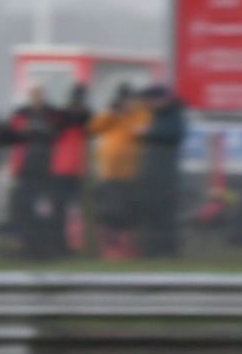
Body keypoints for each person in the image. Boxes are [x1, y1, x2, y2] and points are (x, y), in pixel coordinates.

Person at [88, 84, 149, 257]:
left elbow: (141, 132)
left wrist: (129, 116)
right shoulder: (110, 114)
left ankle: (125, 248)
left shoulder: (140, 114)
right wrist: (112, 112)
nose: (128, 103)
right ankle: (110, 249)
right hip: (109, 173)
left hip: (130, 173)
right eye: (125, 99)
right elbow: (93, 128)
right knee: (109, 212)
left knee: (126, 213)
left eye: (131, 99)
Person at [2, 88, 58, 259]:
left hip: (43, 173)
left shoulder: (51, 116)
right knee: (24, 211)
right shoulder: (21, 116)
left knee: (42, 211)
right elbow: (9, 135)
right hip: (26, 173)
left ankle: (41, 248)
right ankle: (25, 249)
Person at [136, 86, 187, 258]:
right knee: (152, 210)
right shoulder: (157, 114)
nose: (148, 104)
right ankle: (153, 248)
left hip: (166, 173)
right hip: (152, 171)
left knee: (165, 211)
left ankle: (167, 249)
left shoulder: (174, 113)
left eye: (151, 101)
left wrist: (149, 132)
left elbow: (174, 134)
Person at [48, 84, 92, 256]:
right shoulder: (62, 118)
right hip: (62, 171)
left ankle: (73, 245)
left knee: (74, 213)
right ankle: (59, 246)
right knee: (61, 211)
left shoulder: (84, 118)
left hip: (77, 171)